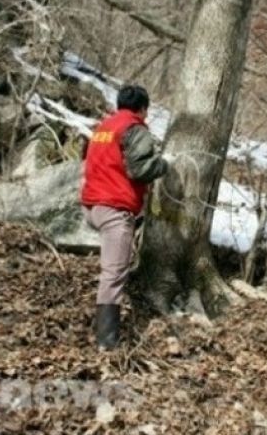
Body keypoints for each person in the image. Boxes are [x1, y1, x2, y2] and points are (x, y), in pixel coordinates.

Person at [81, 84, 171, 350]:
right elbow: (140, 170)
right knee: (113, 274)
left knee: (113, 270)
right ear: (143, 109)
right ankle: (106, 341)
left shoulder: (104, 127)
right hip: (114, 210)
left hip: (92, 206)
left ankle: (104, 336)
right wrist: (166, 163)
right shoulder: (134, 129)